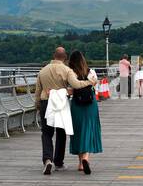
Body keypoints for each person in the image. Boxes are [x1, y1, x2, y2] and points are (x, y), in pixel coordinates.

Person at [34, 47, 94, 175]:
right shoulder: (66, 70)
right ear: (65, 57)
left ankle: (47, 160)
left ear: (53, 56)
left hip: (46, 102)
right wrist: (89, 82)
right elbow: (77, 84)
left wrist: (38, 106)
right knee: (61, 133)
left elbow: (37, 92)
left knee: (46, 133)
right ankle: (59, 162)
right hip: (61, 104)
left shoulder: (42, 71)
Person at [67, 50, 103, 175]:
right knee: (89, 129)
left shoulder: (71, 73)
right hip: (90, 104)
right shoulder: (91, 72)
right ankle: (85, 159)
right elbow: (94, 87)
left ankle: (80, 163)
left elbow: (71, 88)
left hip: (77, 104)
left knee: (78, 130)